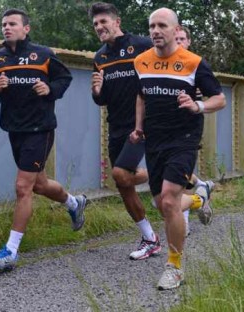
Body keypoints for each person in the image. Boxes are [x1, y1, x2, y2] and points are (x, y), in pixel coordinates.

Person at [0, 9, 87, 271]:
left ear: (26, 28)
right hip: (14, 129)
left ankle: (10, 252)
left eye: (12, 24)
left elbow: (64, 77)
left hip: (40, 127)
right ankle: (74, 203)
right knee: (38, 184)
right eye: (4, 24)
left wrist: (50, 89)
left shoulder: (43, 54)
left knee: (22, 187)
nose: (6, 28)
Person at [130, 8, 226, 290]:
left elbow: (219, 99)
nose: (156, 30)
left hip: (184, 137)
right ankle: (197, 200)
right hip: (155, 138)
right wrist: (138, 127)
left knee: (170, 201)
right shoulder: (141, 61)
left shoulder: (193, 62)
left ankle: (175, 266)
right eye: (152, 26)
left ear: (175, 30)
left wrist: (197, 106)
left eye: (162, 25)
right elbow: (141, 96)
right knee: (162, 205)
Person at [89, 2, 162, 261]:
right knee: (122, 184)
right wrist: (97, 91)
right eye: (96, 24)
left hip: (143, 123)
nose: (99, 27)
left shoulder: (141, 45)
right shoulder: (100, 57)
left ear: (116, 21)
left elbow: (164, 65)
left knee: (121, 174)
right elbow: (103, 99)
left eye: (103, 22)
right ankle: (150, 238)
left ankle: (162, 175)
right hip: (116, 124)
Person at [175, 25, 215, 237]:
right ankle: (202, 186)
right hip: (166, 124)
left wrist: (196, 101)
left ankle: (184, 223)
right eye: (176, 39)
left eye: (182, 39)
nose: (179, 42)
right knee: (173, 170)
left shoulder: (197, 65)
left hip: (190, 123)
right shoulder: (164, 63)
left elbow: (214, 95)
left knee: (179, 174)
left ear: (189, 42)